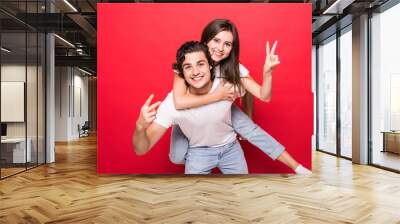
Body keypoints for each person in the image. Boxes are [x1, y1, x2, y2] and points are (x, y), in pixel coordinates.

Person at [170, 19, 311, 174]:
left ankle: (299, 168)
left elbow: (263, 96)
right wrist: (218, 96)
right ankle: (203, 150)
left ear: (232, 48)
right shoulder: (191, 60)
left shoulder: (234, 69)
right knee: (176, 157)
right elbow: (180, 102)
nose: (220, 48)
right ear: (206, 40)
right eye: (216, 40)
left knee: (253, 132)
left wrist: (267, 73)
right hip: (190, 112)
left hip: (223, 108)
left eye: (227, 44)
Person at [133, 41, 248, 174]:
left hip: (231, 149)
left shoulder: (225, 87)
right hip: (199, 152)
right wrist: (140, 127)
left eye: (200, 64)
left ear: (210, 65)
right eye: (188, 67)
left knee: (242, 192)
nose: (195, 72)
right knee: (195, 194)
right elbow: (141, 149)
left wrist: (248, 114)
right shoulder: (172, 105)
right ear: (181, 72)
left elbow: (248, 90)